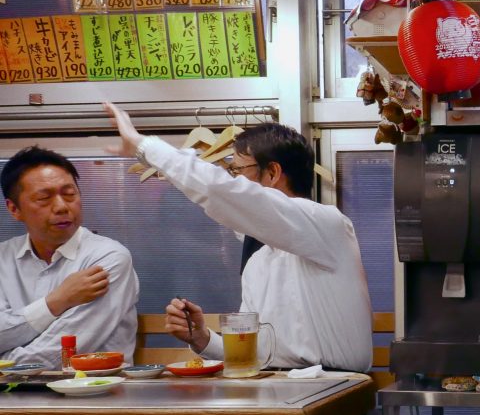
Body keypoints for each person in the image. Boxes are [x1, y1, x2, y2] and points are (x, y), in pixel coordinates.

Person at [103, 103, 373, 373]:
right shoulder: (259, 259)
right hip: (276, 387)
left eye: (238, 171)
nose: (234, 180)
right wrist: (202, 338)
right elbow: (257, 353)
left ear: (273, 173)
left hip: (335, 387)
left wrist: (144, 146)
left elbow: (224, 193)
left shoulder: (327, 224)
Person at [0, 146, 139, 365]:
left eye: (69, 194)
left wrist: (5, 364)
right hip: (12, 394)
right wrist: (55, 302)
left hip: (96, 393)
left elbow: (64, 350)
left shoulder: (107, 258)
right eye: (44, 198)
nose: (62, 207)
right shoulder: (2, 258)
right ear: (14, 209)